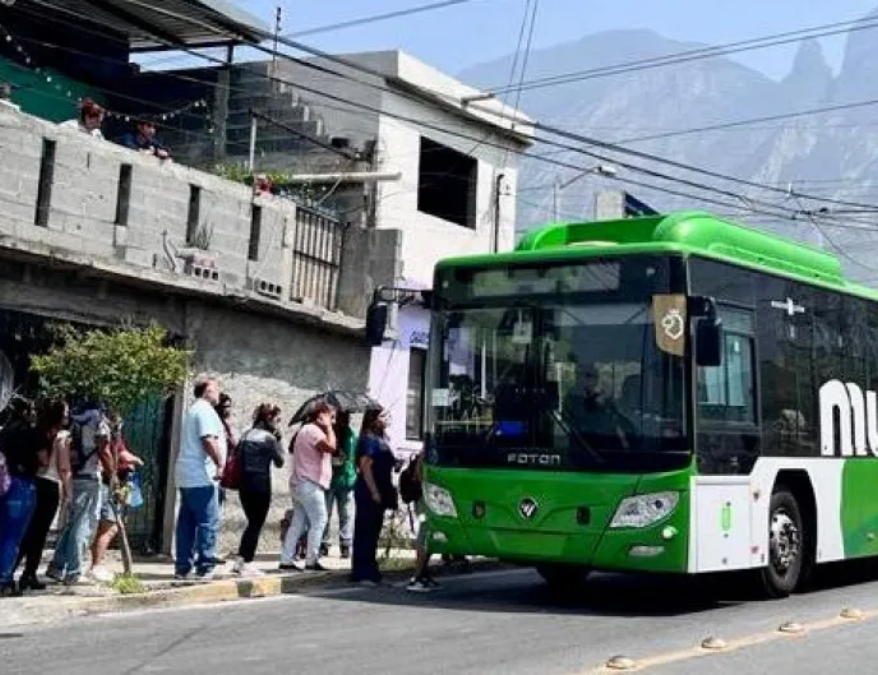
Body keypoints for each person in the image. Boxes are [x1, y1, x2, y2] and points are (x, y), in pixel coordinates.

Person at [46, 403, 112, 585]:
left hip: (74, 479)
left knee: (72, 526)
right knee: (83, 527)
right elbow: (104, 450)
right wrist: (112, 474)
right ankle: (74, 571)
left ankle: (57, 567)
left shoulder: (73, 427)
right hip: (89, 478)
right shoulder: (98, 421)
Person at [16, 399, 72, 592]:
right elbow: (63, 468)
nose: (68, 415)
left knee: (31, 531)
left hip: (36, 483)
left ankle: (22, 571)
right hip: (49, 485)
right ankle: (26, 573)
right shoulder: (61, 436)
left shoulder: (40, 431)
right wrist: (68, 491)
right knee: (38, 533)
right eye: (65, 412)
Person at [174, 376, 225, 580]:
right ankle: (205, 565)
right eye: (216, 388)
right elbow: (208, 440)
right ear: (206, 390)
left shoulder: (194, 409)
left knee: (186, 522)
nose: (218, 392)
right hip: (201, 475)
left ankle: (182, 567)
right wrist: (220, 463)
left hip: (187, 474)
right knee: (207, 522)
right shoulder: (205, 410)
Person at [279, 401, 337, 572]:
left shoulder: (304, 430)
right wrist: (329, 428)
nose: (333, 418)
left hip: (300, 483)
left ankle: (286, 560)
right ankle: (312, 560)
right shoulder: (313, 431)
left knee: (298, 522)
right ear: (321, 416)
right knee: (320, 520)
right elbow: (331, 447)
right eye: (330, 415)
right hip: (309, 484)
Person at [89, 414, 143, 583]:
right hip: (109, 485)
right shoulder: (107, 437)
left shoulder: (116, 438)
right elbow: (115, 456)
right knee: (109, 527)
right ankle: (96, 565)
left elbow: (122, 452)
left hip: (113, 483)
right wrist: (129, 463)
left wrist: (133, 460)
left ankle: (96, 563)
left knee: (106, 527)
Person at [232, 404, 284, 577]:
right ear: (269, 418)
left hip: (243, 485)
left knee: (251, 523)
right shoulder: (269, 438)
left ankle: (240, 560)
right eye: (277, 418)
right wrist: (279, 440)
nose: (279, 422)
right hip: (260, 483)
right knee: (256, 524)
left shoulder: (246, 434)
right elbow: (280, 461)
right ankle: (247, 562)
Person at [0, 402, 46, 596]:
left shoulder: (4, 432)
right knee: (12, 536)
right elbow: (43, 460)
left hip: (4, 482)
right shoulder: (31, 434)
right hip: (21, 485)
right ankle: (4, 580)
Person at [351, 407, 398, 586]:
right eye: (383, 416)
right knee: (365, 531)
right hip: (369, 491)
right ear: (373, 419)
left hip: (381, 489)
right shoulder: (368, 439)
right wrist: (374, 492)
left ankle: (371, 570)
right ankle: (362, 572)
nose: (386, 419)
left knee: (374, 532)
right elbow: (365, 466)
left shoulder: (381, 439)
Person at [321, 411, 357, 559]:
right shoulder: (330, 432)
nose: (344, 420)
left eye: (346, 417)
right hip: (331, 478)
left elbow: (349, 456)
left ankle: (345, 544)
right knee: (326, 513)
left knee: (345, 514)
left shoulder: (349, 434)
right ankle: (324, 543)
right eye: (342, 417)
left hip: (346, 479)